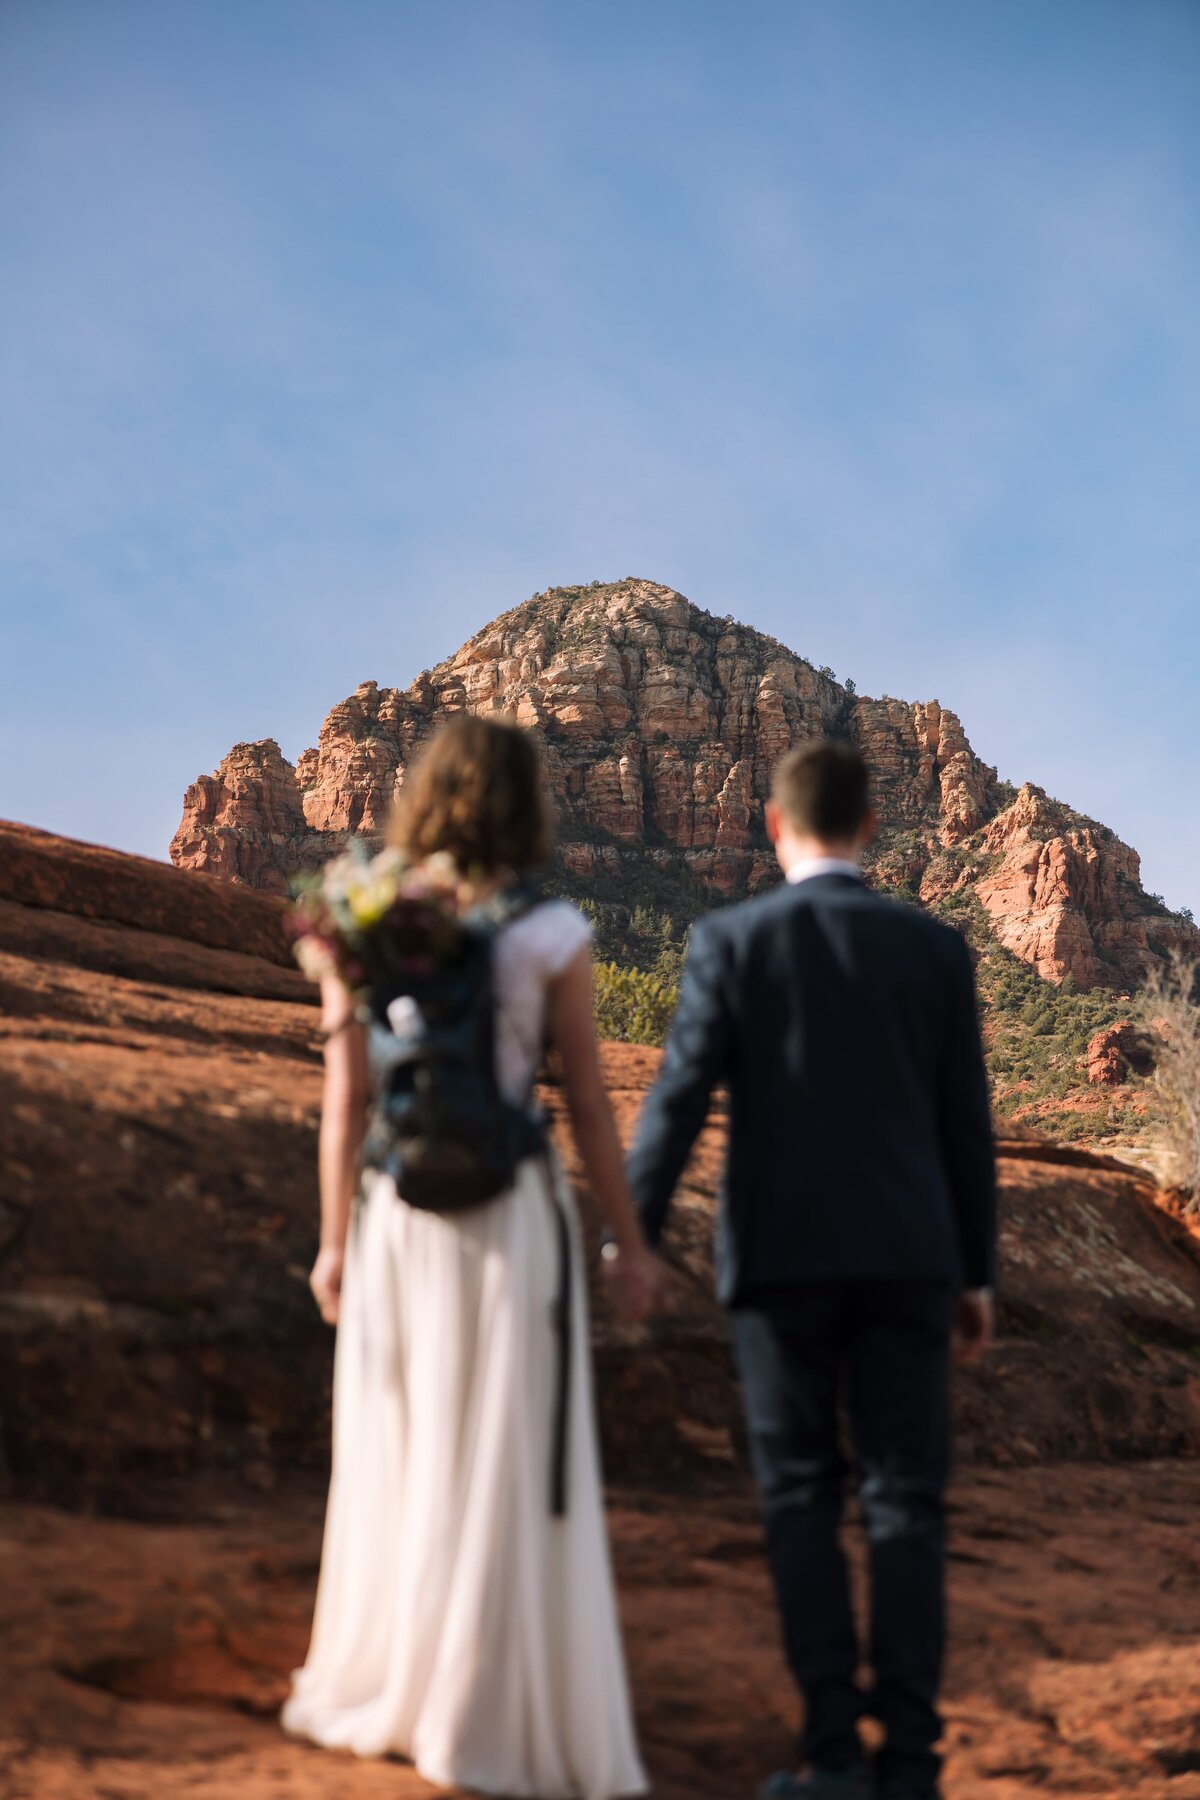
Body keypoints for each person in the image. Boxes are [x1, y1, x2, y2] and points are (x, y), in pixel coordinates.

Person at [283, 715, 663, 1800]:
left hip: (400, 1214)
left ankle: (390, 1687)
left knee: (403, 1443)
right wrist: (629, 1244)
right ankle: (488, 1713)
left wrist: (333, 1245)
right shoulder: (549, 930)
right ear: (523, 804)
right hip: (512, 1214)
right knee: (504, 1454)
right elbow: (587, 1102)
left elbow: (344, 1102)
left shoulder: (368, 919)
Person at [627, 738, 997, 1800]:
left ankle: (834, 1757)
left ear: (774, 827)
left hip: (781, 1263)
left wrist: (633, 1237)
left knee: (798, 1499)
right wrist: (976, 1276)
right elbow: (964, 1128)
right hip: (911, 1262)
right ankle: (914, 1767)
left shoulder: (730, 941)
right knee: (905, 1504)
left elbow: (678, 1103)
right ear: (871, 830)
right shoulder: (935, 949)